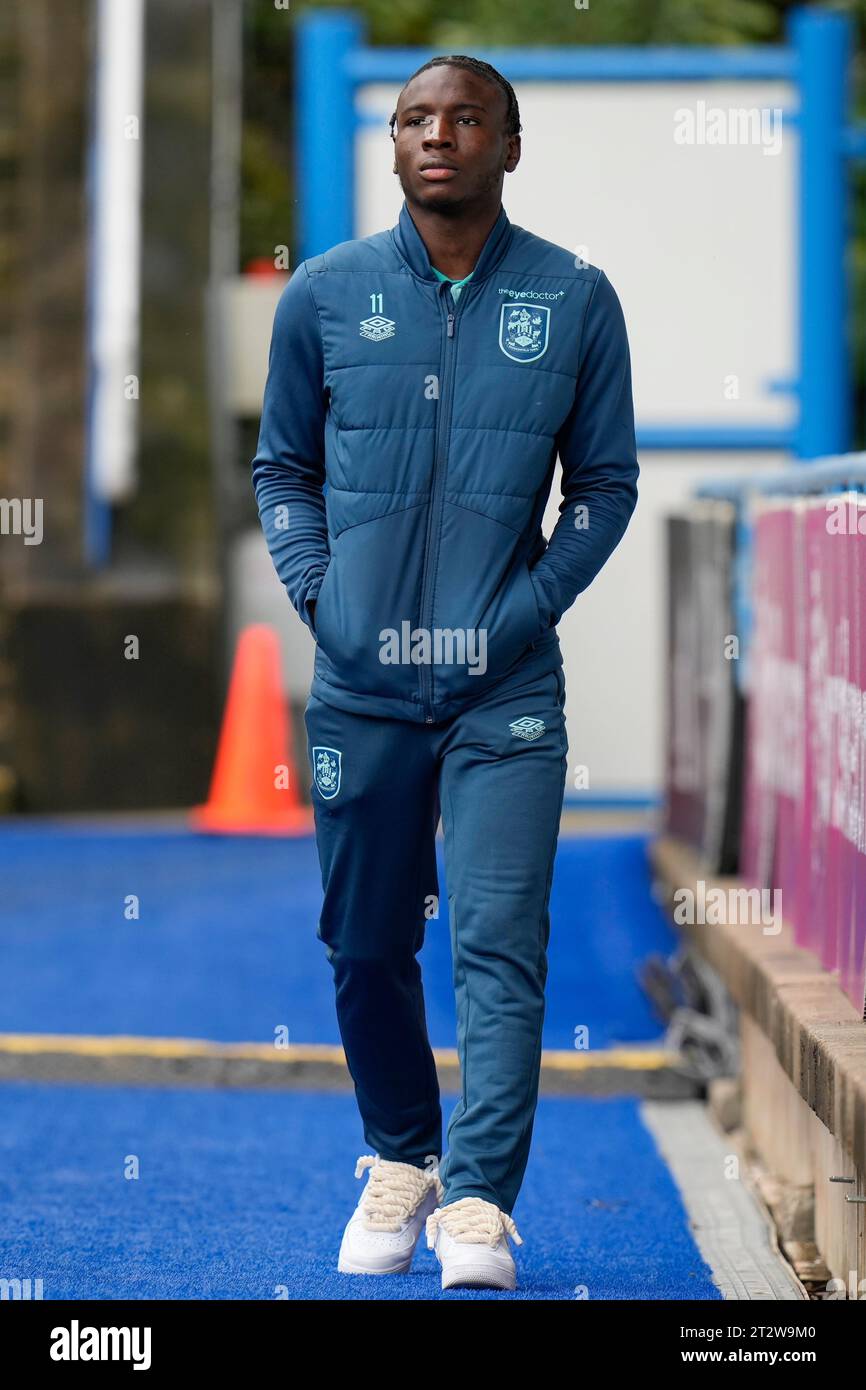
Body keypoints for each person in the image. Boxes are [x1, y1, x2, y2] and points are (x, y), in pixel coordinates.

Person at [251, 53, 639, 1292]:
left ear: (507, 147)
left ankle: (475, 1200)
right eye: (416, 118)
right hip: (360, 688)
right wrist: (324, 598)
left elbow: (607, 487)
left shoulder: (573, 299)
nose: (438, 135)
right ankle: (399, 1155)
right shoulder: (324, 294)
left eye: (466, 118)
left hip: (502, 689)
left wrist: (520, 611)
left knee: (497, 941)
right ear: (395, 145)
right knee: (365, 944)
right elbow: (281, 471)